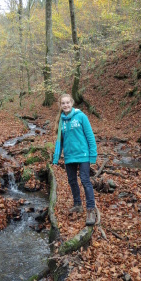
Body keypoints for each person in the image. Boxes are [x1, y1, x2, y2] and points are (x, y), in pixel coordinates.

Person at [52, 93, 97, 226]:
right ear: (60, 105)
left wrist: (93, 155)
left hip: (83, 155)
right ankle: (77, 204)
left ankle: (90, 210)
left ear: (72, 103)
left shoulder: (81, 116)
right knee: (72, 181)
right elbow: (59, 141)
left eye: (68, 102)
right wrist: (56, 158)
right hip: (69, 156)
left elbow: (90, 136)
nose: (66, 105)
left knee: (85, 180)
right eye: (63, 103)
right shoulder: (61, 120)